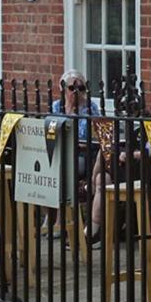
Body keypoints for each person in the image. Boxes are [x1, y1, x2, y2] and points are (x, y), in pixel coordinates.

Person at [50, 69, 104, 242]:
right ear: (63, 89)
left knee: (64, 167)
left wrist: (73, 115)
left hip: (84, 155)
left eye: (80, 88)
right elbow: (52, 133)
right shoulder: (56, 106)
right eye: (72, 87)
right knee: (50, 167)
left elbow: (86, 136)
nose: (76, 92)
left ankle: (59, 219)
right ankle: (55, 216)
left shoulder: (90, 108)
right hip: (60, 151)